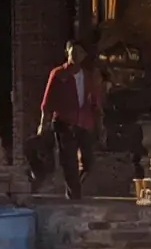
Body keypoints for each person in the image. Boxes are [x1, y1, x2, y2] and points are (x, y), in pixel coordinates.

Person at [37, 41, 105, 200]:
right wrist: (42, 124)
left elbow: (95, 103)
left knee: (88, 162)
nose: (75, 56)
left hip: (84, 123)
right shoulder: (58, 74)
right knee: (69, 161)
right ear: (67, 53)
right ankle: (74, 195)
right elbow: (47, 102)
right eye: (72, 52)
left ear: (83, 56)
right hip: (64, 123)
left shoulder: (88, 76)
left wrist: (100, 126)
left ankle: (76, 186)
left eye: (79, 53)